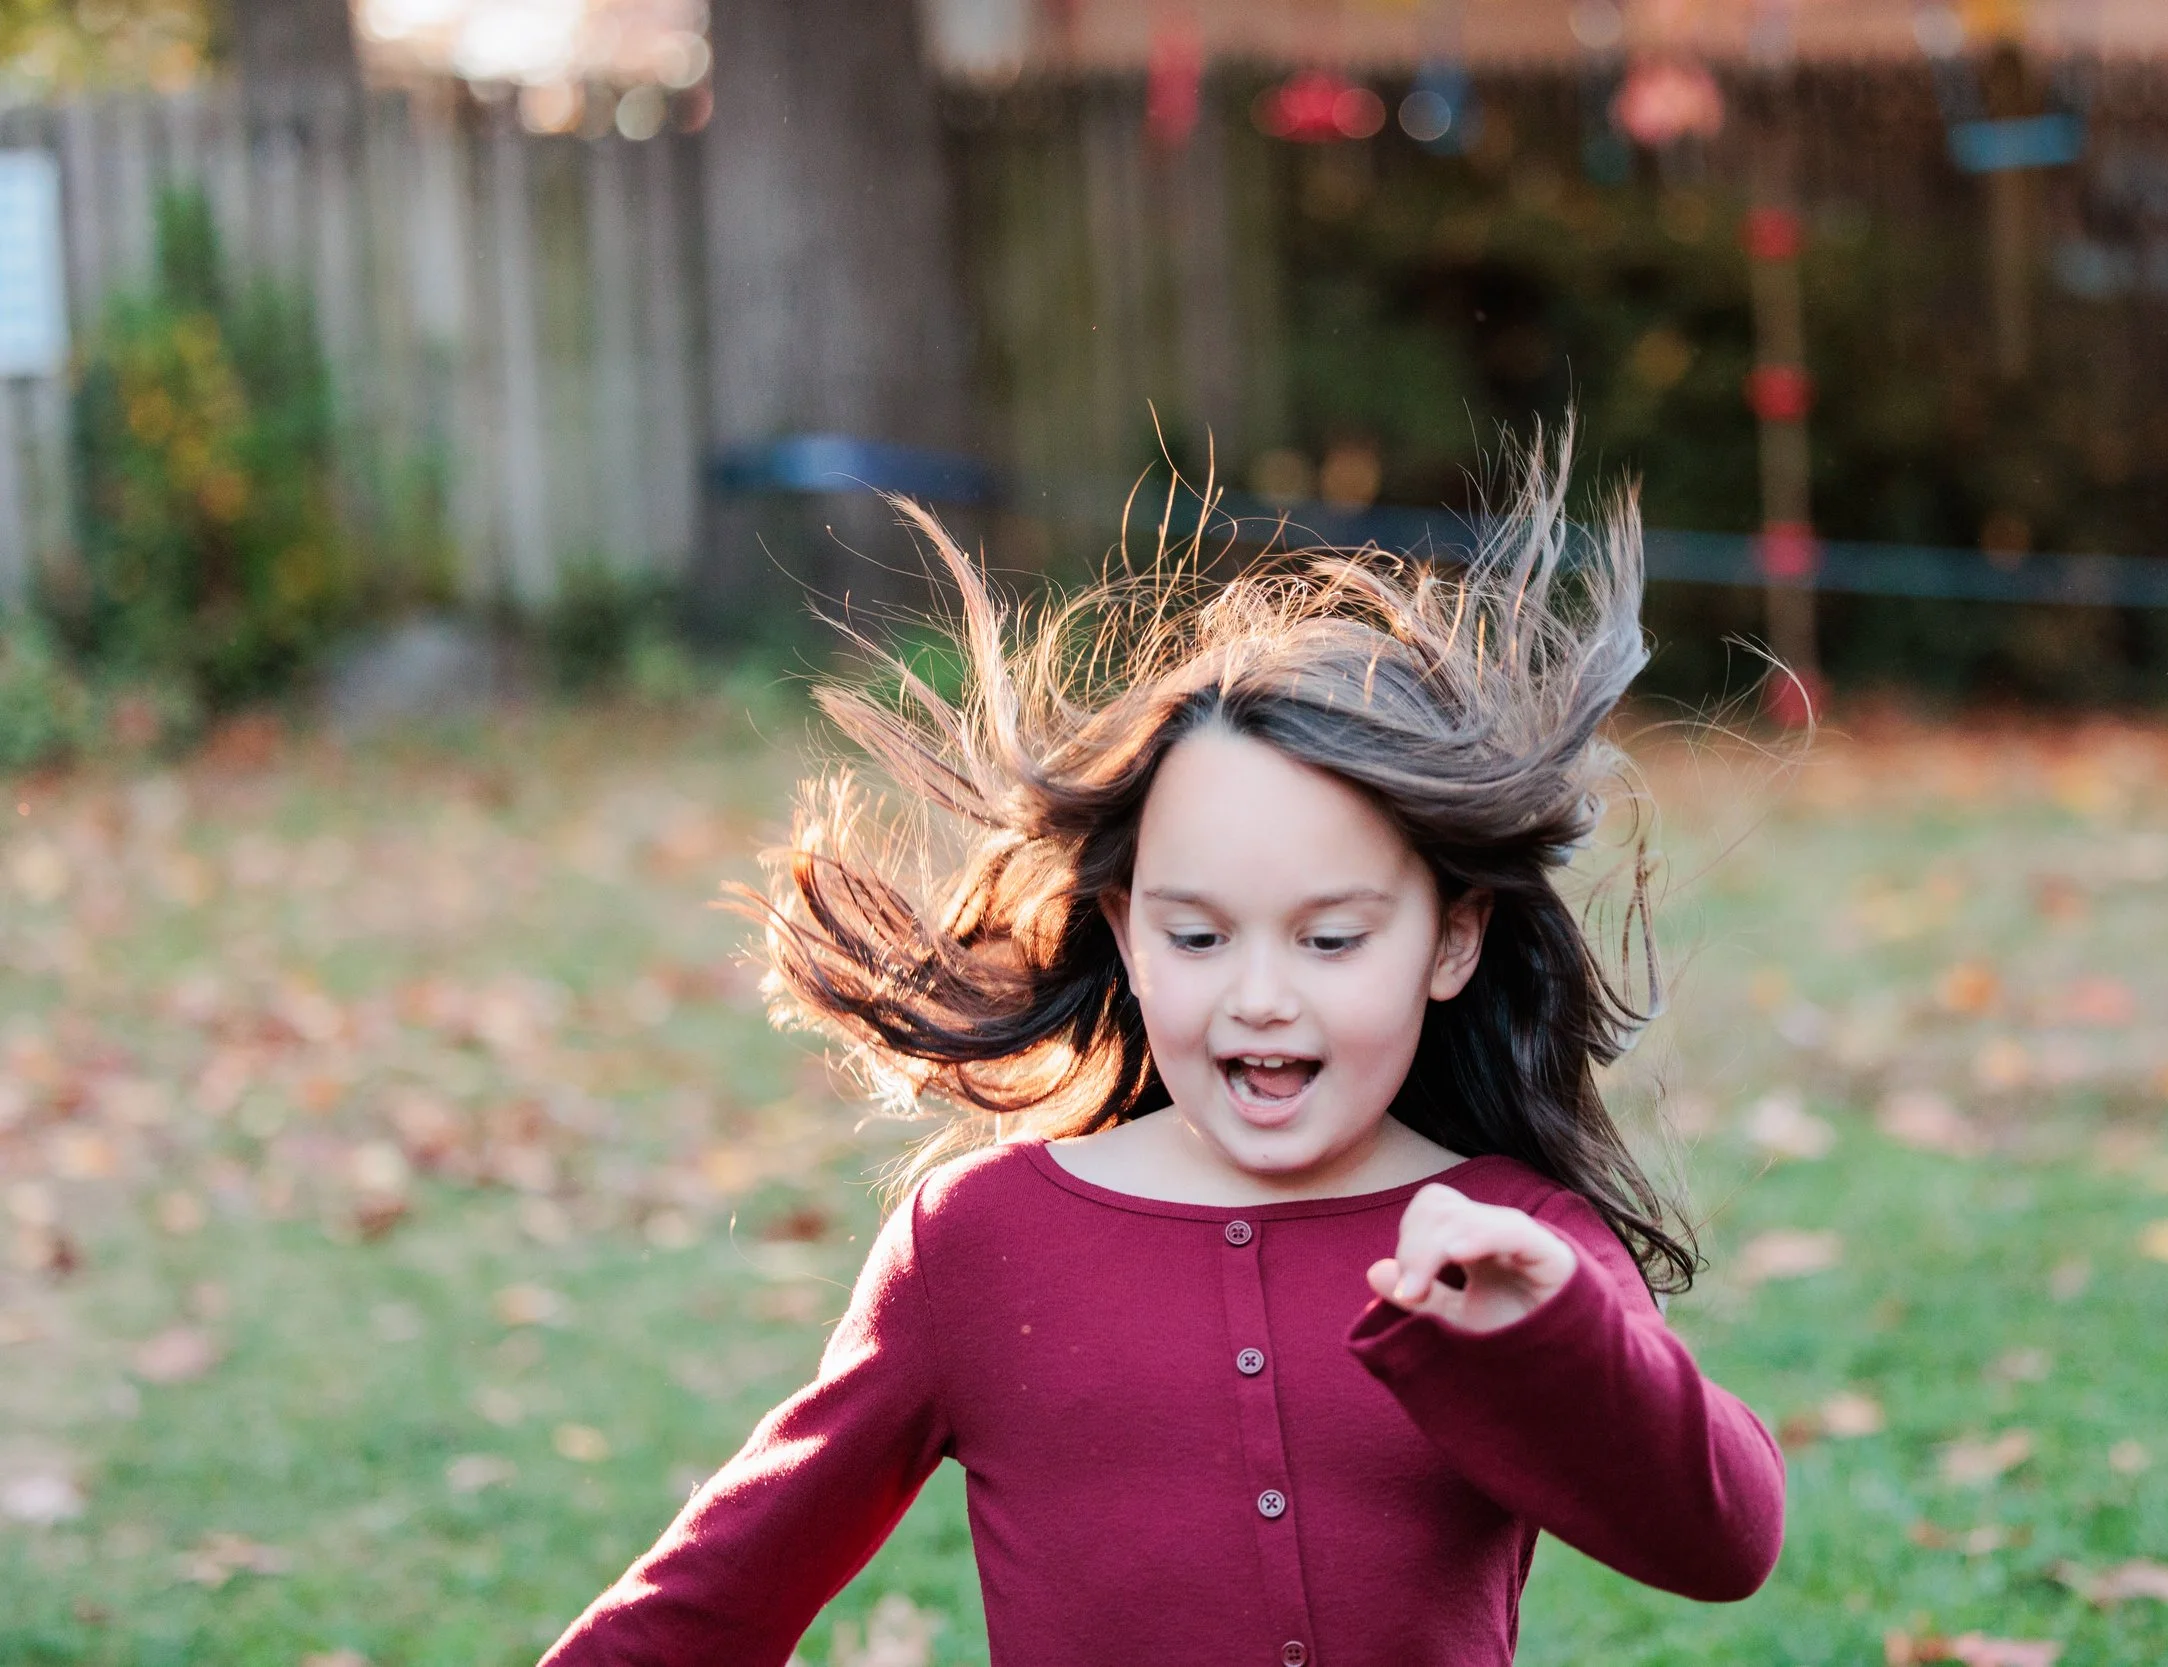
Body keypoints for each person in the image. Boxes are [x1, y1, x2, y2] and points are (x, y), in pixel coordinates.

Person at [540, 434, 1785, 1666]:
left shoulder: (1510, 1242)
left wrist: (1556, 1329)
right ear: (1127, 932)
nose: (1258, 997)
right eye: (1198, 934)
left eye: (1331, 939)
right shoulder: (979, 1243)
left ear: (1452, 943)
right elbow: (718, 1595)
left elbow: (1720, 1540)